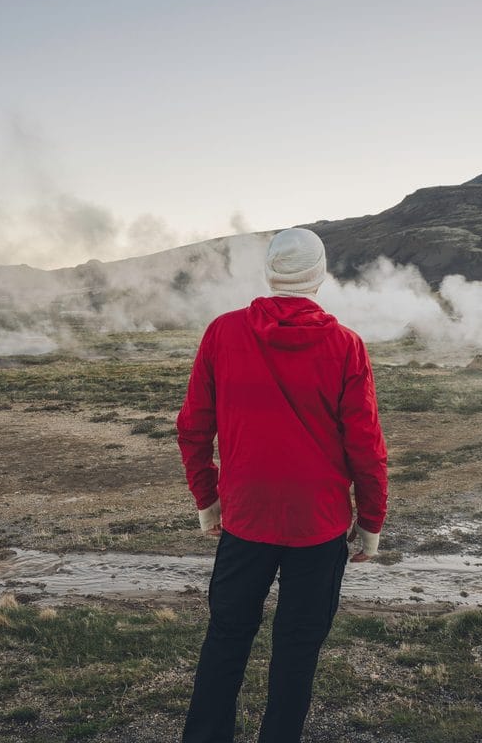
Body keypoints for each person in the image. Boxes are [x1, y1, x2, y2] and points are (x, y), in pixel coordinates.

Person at [177, 226, 388, 743]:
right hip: (318, 527)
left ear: (270, 273)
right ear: (319, 276)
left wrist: (208, 500)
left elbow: (193, 427)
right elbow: (366, 447)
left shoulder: (223, 333)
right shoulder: (345, 345)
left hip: (246, 520)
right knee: (296, 650)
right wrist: (371, 523)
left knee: (227, 638)